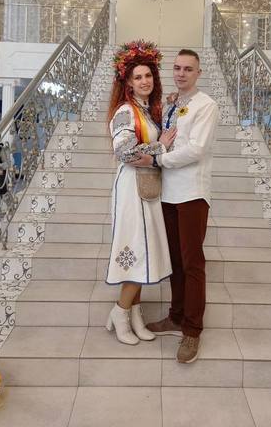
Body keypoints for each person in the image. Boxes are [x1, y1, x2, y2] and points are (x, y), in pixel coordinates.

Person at [132, 48, 219, 363]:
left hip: (192, 193)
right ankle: (176, 316)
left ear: (199, 73)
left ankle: (192, 331)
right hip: (167, 193)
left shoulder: (206, 105)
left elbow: (196, 149)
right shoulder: (172, 103)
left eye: (188, 69)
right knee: (175, 262)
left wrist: (157, 159)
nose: (181, 73)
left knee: (192, 263)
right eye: (178, 68)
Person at [105, 40, 176, 345]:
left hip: (147, 187)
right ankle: (120, 312)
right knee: (137, 249)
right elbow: (123, 152)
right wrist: (161, 146)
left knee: (144, 250)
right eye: (138, 77)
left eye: (148, 76)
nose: (144, 81)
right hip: (132, 189)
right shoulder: (126, 110)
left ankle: (135, 315)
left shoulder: (146, 110)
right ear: (128, 83)